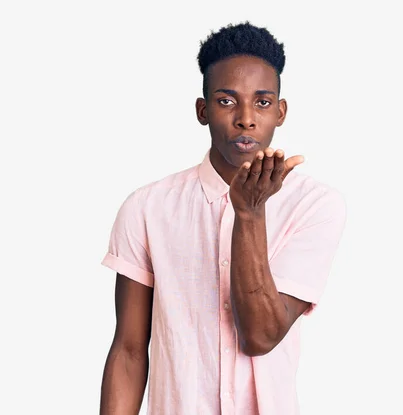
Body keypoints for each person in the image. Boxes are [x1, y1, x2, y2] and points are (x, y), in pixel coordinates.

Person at [99, 21, 347, 415]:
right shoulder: (147, 208)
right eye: (227, 101)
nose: (246, 119)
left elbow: (261, 335)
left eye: (262, 102)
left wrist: (249, 212)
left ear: (280, 112)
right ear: (202, 110)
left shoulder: (315, 205)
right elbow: (129, 351)